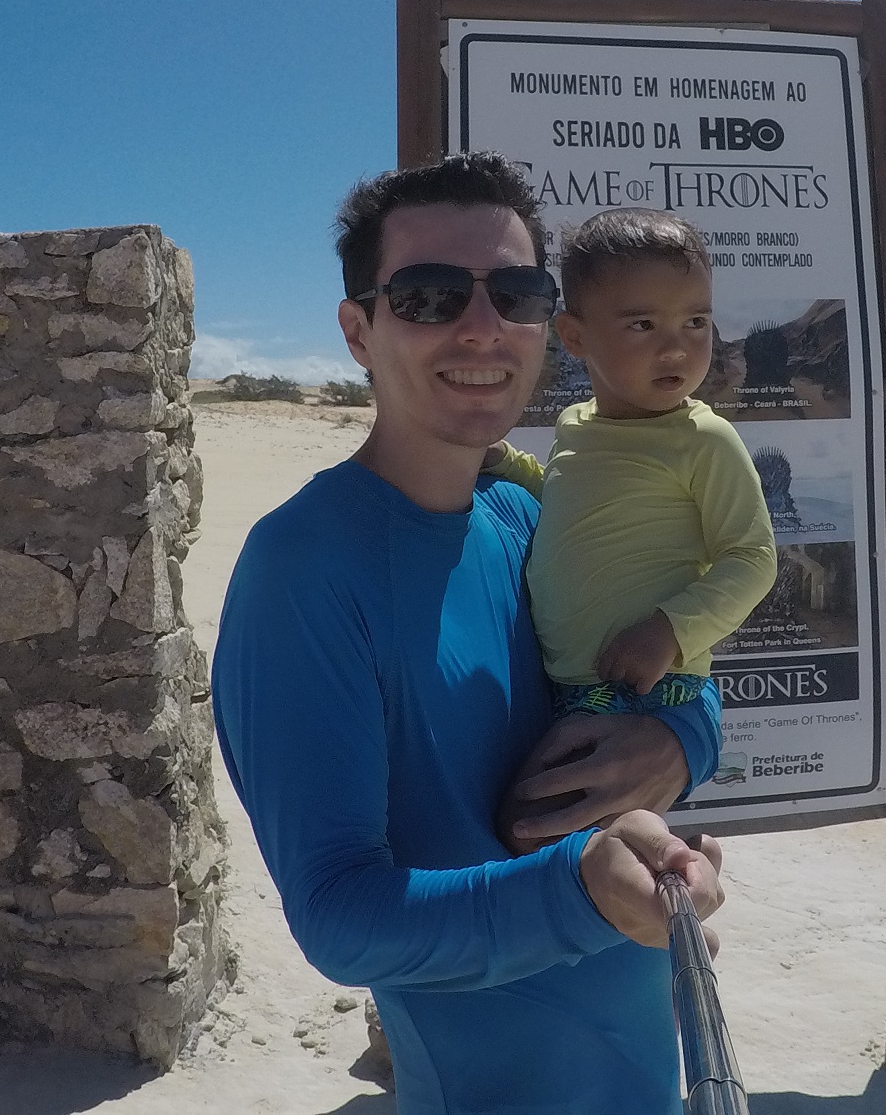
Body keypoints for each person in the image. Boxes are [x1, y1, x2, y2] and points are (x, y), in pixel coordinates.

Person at [211, 152, 726, 1115]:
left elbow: (678, 671)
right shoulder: (303, 570)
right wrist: (578, 892)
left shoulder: (526, 516)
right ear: (359, 332)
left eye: (517, 294)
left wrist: (678, 741)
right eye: (430, 295)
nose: (483, 327)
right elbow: (339, 918)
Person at [484, 209, 776, 851]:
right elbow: (567, 496)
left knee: (538, 826)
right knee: (550, 837)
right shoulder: (576, 425)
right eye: (643, 324)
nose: (676, 348)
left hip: (648, 688)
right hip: (571, 686)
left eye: (695, 322)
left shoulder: (704, 439)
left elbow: (752, 557)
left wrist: (669, 631)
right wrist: (508, 464)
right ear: (574, 335)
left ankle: (673, 882)